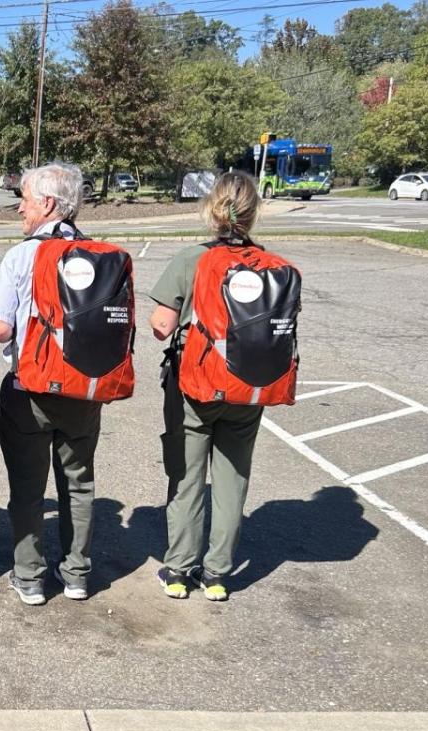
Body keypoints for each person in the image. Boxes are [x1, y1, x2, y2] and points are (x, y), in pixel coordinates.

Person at [0, 162, 103, 605]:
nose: (19, 208)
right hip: (83, 389)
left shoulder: (21, 256)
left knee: (28, 489)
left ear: (48, 204)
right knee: (79, 483)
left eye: (25, 199)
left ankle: (30, 576)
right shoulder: (98, 253)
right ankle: (76, 575)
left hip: (30, 389)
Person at [147, 172, 270, 602]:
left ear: (211, 211)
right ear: (253, 214)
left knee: (187, 478)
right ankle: (217, 575)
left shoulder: (190, 260)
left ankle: (179, 570)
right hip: (246, 388)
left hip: (194, 388)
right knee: (233, 480)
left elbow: (162, 326)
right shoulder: (268, 265)